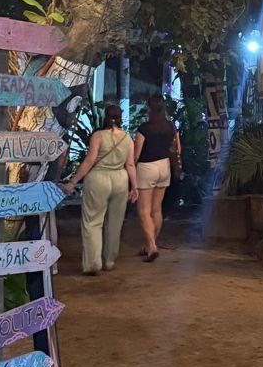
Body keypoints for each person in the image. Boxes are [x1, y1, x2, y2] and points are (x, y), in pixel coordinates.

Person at [63, 103, 137, 275]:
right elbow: (131, 164)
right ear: (120, 118)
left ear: (105, 117)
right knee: (115, 223)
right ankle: (109, 260)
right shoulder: (127, 138)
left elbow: (90, 161)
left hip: (98, 178)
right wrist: (135, 186)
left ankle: (93, 263)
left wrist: (73, 182)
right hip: (120, 179)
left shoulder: (98, 136)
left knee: (93, 222)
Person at [133, 97, 181, 263]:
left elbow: (136, 154)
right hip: (164, 166)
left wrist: (130, 169)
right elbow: (177, 148)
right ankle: (150, 244)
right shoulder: (170, 126)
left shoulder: (144, 128)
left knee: (143, 211)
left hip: (147, 167)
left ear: (149, 109)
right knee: (156, 209)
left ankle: (152, 246)